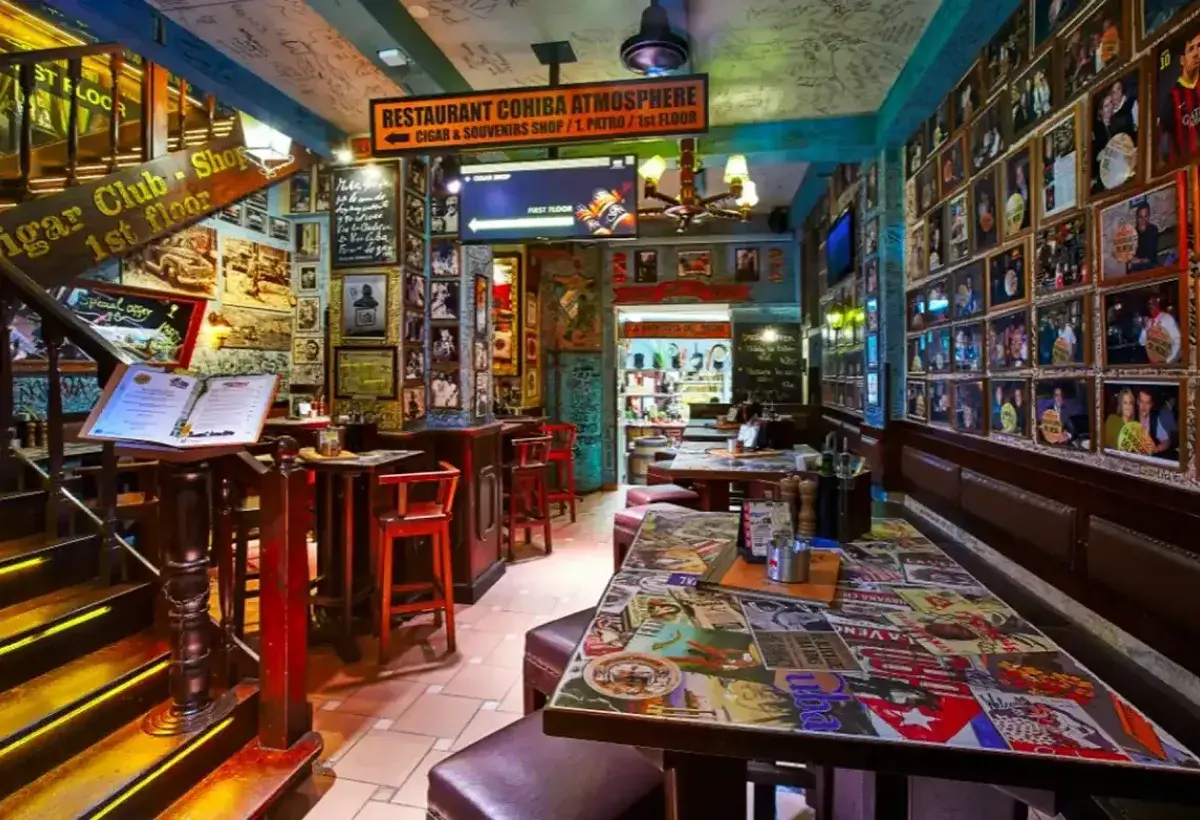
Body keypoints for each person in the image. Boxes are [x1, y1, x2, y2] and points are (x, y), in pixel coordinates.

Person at [1158, 29, 1200, 165]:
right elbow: (1164, 136)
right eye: (1191, 49)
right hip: (1187, 170)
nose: (1197, 53)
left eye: (1199, 47)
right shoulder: (1171, 94)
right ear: (1182, 59)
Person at [1138, 295, 1181, 363]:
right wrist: (1144, 328)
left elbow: (1177, 341)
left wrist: (1168, 361)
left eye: (1153, 303)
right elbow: (1142, 342)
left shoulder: (1167, 318)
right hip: (1153, 363)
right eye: (1149, 304)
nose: (1151, 306)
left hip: (1167, 363)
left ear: (1157, 304)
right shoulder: (1148, 321)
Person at [1137, 388, 1174, 454]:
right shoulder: (1132, 417)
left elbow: (1166, 442)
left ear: (1151, 405)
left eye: (1147, 403)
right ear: (1138, 402)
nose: (1144, 406)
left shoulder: (1154, 420)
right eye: (1142, 401)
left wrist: (1156, 449)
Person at [1128, 203, 1161, 272]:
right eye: (1140, 217)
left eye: (1145, 216)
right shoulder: (1133, 233)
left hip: (1150, 265)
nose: (1143, 219)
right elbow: (1130, 254)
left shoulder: (1153, 229)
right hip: (1136, 266)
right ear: (1137, 218)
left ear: (1149, 216)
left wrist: (1139, 260)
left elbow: (1150, 256)